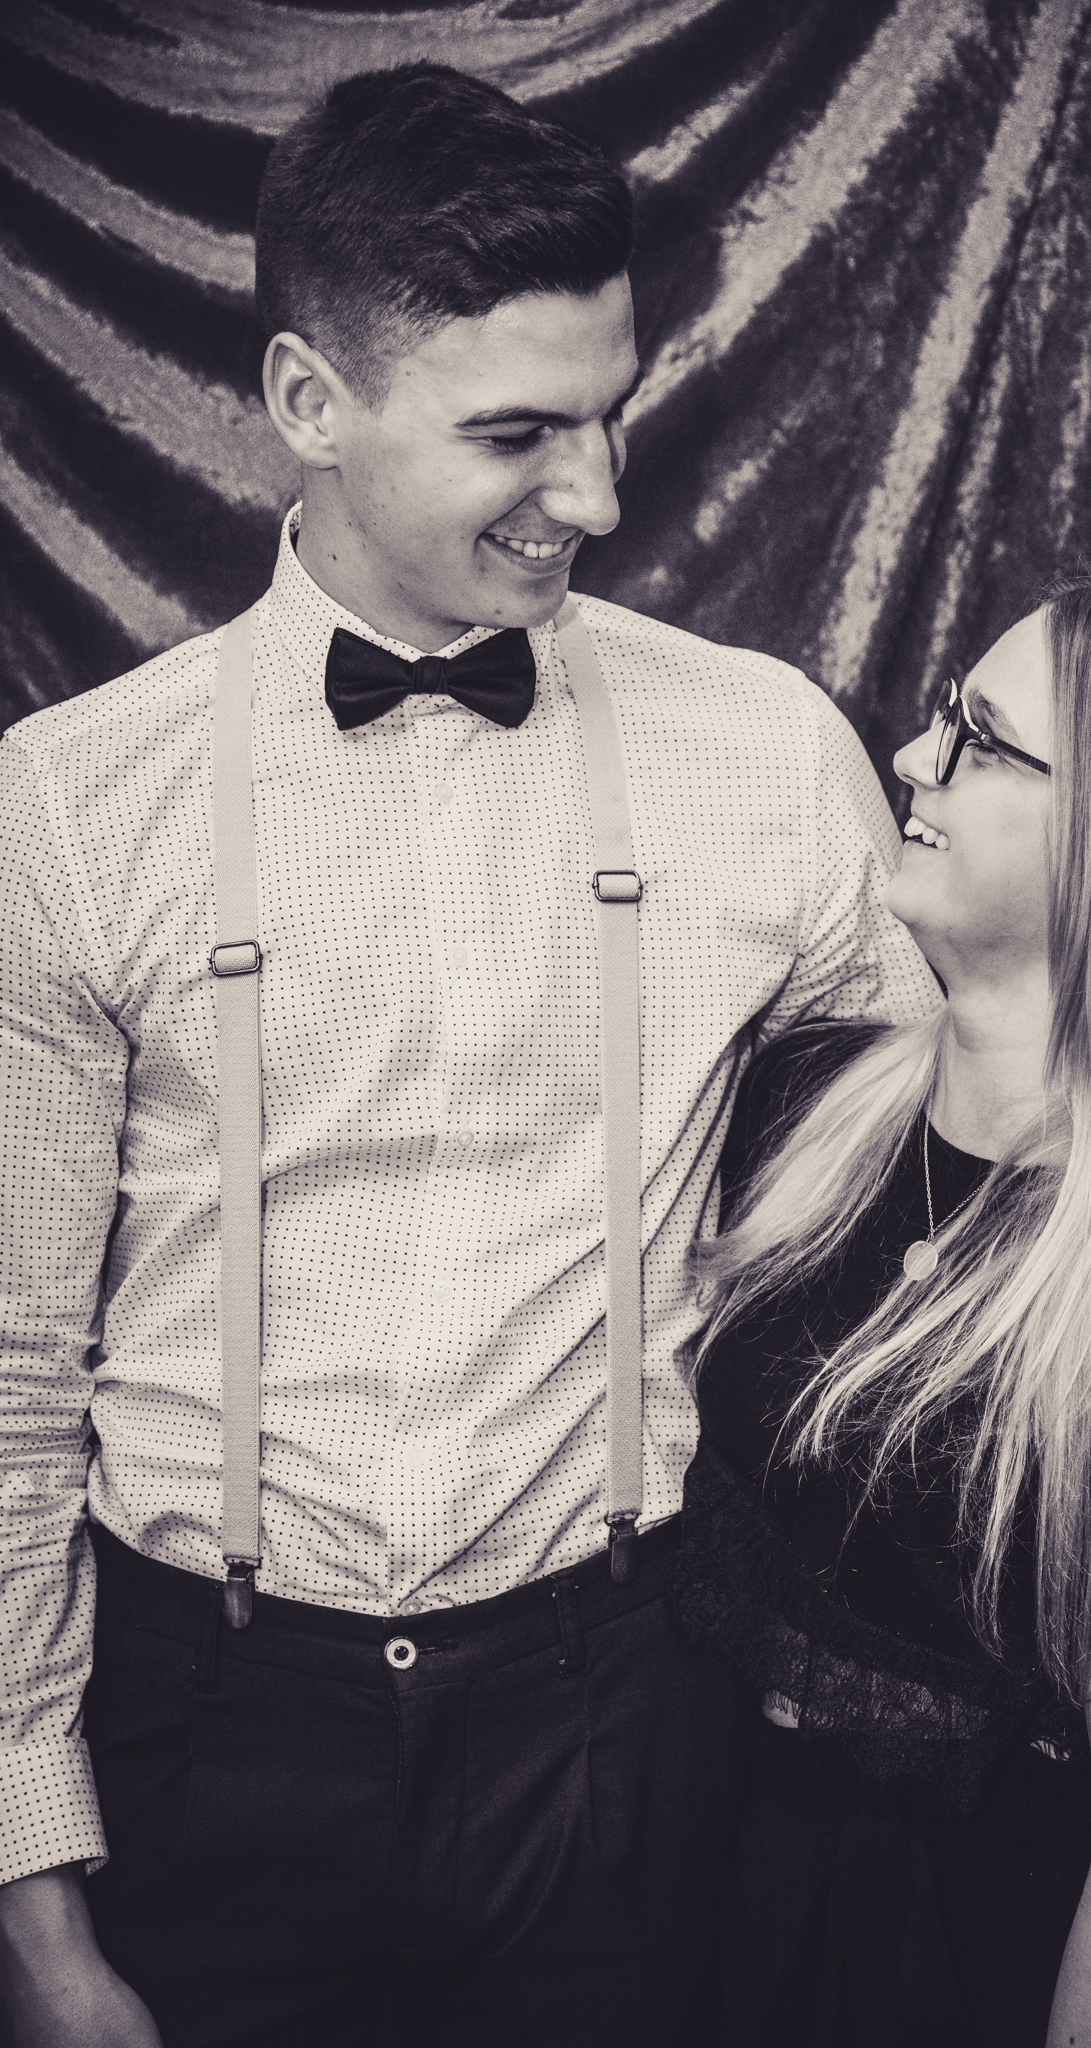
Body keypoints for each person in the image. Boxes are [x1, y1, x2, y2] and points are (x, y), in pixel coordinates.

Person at [0, 63, 941, 2048]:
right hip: (200, 1723)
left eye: (608, 414)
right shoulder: (70, 806)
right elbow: (8, 1386)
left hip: (623, 1721)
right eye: (513, 434)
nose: (592, 497)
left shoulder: (765, 753)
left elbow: (953, 1149)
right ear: (308, 402)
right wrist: (38, 1911)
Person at [672, 571, 1091, 2046]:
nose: (912, 758)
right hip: (716, 1914)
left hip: (960, 1973)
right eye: (946, 716)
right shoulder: (802, 1102)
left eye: (980, 740)